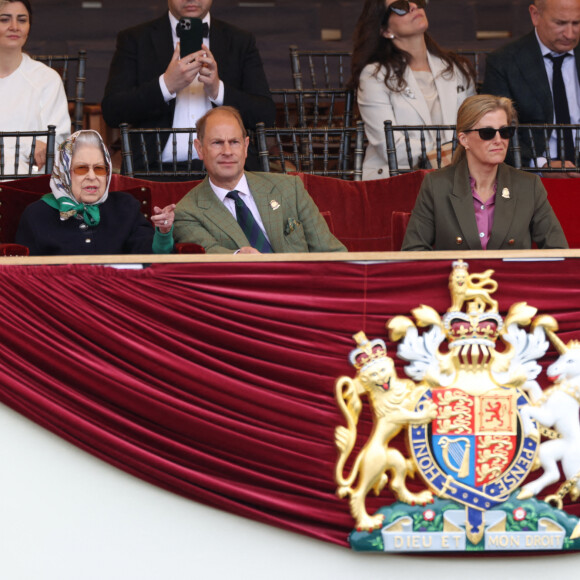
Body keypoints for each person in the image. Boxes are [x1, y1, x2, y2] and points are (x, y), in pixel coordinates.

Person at [101, 0, 276, 174]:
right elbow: (113, 111)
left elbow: (265, 115)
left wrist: (218, 90)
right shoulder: (134, 38)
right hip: (153, 172)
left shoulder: (240, 40)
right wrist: (166, 86)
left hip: (228, 173)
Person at [401, 94, 568, 251]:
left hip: (509, 281)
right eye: (487, 133)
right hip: (456, 281)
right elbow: (414, 251)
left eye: (505, 132)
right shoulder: (436, 185)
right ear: (464, 139)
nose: (498, 140)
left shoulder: (528, 185)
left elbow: (558, 250)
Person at [173, 106, 347, 254]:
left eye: (234, 142)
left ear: (246, 146)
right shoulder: (187, 212)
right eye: (217, 143)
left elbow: (330, 251)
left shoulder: (289, 188)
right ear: (199, 149)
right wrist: (237, 256)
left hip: (300, 288)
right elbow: (210, 254)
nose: (227, 151)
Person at [350, 0, 475, 180]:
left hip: (456, 177)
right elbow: (391, 148)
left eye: (416, 0)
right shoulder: (374, 76)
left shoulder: (456, 68)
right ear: (385, 30)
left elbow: (475, 127)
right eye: (400, 7)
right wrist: (450, 151)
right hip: (397, 179)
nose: (413, 6)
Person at [15, 130, 176, 256]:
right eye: (81, 168)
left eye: (99, 169)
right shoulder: (37, 215)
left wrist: (163, 233)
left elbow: (151, 260)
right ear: (64, 172)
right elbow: (24, 276)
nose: (92, 176)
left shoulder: (125, 208)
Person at [482, 0, 580, 172]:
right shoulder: (504, 62)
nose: (570, 34)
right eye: (560, 23)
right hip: (534, 174)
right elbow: (496, 129)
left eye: (577, 23)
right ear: (535, 15)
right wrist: (541, 165)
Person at [0, 0, 70, 175]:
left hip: (27, 183)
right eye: (4, 19)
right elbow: (35, 145)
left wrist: (42, 145)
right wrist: (29, 145)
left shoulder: (47, 79)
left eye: (22, 20)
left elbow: (58, 141)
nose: (14, 27)